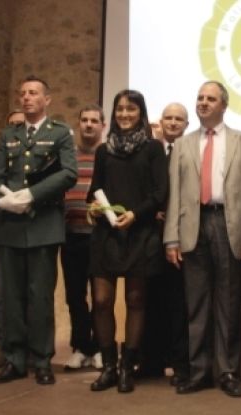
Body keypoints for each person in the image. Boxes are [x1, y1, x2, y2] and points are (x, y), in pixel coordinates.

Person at [164, 81, 241, 398]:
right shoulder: (183, 144)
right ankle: (199, 372)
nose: (203, 103)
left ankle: (228, 372)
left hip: (229, 224)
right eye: (199, 98)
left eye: (210, 98)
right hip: (193, 226)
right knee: (196, 304)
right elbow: (174, 194)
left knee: (229, 302)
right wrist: (171, 239)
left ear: (224, 105)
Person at [0, 75, 77, 386]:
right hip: (12, 225)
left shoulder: (60, 133)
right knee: (11, 296)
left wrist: (30, 195)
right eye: (23, 93)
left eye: (33, 93)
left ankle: (41, 360)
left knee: (39, 296)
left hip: (43, 223)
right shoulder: (8, 135)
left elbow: (69, 173)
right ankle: (14, 359)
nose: (26, 98)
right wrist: (5, 198)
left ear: (46, 100)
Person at [87, 90, 167, 393]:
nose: (124, 114)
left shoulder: (153, 148)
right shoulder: (103, 151)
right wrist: (94, 207)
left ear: (141, 113)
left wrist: (135, 214)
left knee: (136, 300)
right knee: (101, 301)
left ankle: (127, 367)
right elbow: (94, 188)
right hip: (107, 234)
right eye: (119, 109)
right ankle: (107, 366)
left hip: (140, 231)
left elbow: (160, 192)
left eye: (130, 109)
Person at [140, 102, 190, 385]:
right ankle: (151, 362)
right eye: (168, 118)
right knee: (150, 299)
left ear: (186, 124)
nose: (172, 123)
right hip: (149, 234)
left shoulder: (192, 151)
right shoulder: (151, 151)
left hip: (181, 236)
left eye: (178, 119)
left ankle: (180, 363)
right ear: (161, 121)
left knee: (178, 302)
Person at [60, 105, 104, 370]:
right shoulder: (68, 157)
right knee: (74, 295)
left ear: (103, 125)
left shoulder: (108, 156)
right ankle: (80, 347)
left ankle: (99, 346)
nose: (89, 125)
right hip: (70, 236)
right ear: (78, 124)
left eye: (94, 121)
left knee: (101, 297)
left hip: (99, 237)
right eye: (84, 120)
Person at [0, 109, 26, 369]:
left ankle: (29, 347)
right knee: (3, 294)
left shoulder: (39, 156)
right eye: (12, 125)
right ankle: (3, 347)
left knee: (30, 294)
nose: (17, 129)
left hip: (30, 232)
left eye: (21, 125)